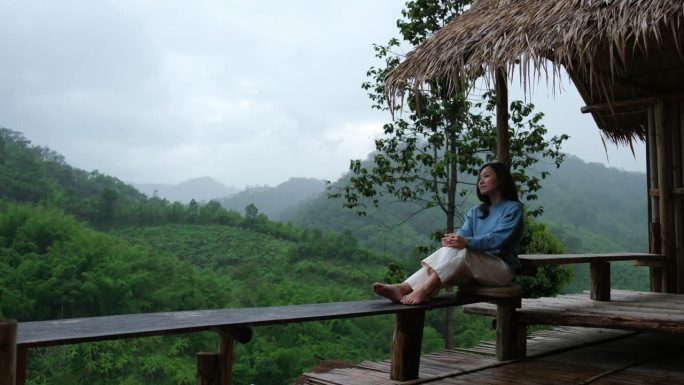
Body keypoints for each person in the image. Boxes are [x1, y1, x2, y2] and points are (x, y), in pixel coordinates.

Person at [372, 161, 524, 305]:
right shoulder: (476, 211)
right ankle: (404, 287)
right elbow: (462, 235)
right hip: (474, 270)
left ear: (500, 180)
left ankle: (423, 289)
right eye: (479, 178)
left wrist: (467, 242)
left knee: (462, 252)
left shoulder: (513, 208)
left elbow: (498, 239)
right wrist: (454, 240)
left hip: (500, 270)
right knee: (455, 248)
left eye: (486, 176)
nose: (481, 181)